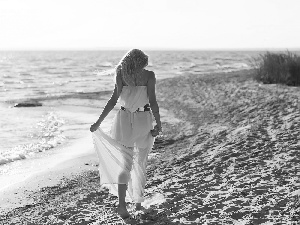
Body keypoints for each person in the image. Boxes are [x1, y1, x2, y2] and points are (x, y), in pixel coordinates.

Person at [90, 49, 162, 220]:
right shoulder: (149, 75)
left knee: (126, 165)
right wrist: (159, 124)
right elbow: (152, 101)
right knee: (141, 163)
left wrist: (98, 122)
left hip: (123, 120)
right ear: (139, 62)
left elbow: (113, 100)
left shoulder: (121, 75)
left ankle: (122, 206)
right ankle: (137, 202)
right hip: (143, 119)